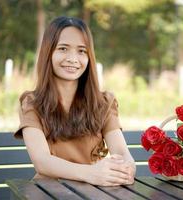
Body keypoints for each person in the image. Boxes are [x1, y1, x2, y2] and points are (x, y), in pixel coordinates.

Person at [14, 16, 136, 186]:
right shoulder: (32, 103)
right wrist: (91, 173)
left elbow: (122, 153)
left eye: (81, 51)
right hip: (48, 192)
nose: (73, 59)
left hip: (94, 193)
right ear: (48, 52)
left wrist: (126, 168)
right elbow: (42, 162)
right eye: (63, 48)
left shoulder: (104, 102)